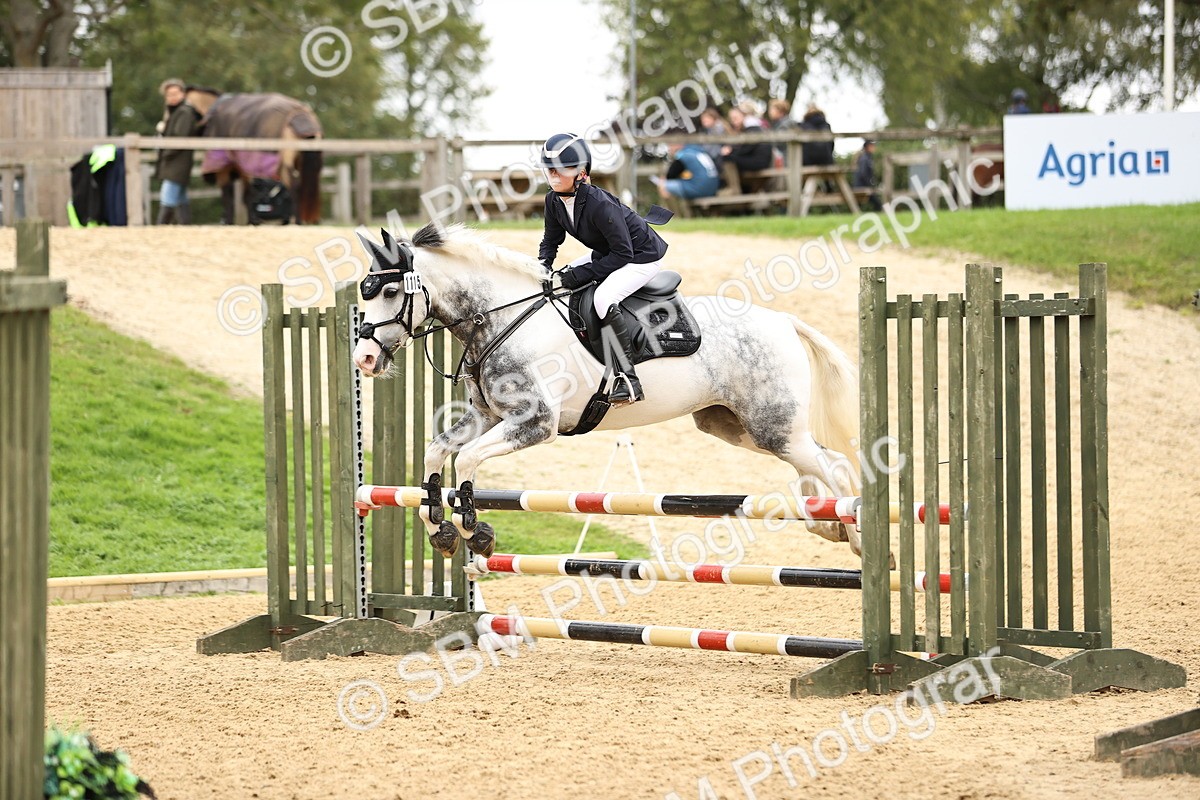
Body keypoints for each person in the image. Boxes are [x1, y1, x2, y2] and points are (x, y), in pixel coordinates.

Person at [538, 133, 672, 406]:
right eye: (549, 168)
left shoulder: (600, 204)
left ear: (581, 173)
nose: (553, 174)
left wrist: (582, 275)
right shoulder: (553, 201)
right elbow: (551, 241)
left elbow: (624, 254)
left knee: (603, 299)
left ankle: (628, 379)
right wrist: (542, 267)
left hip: (641, 256)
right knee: (557, 283)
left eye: (561, 169)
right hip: (609, 253)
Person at [153, 78, 202, 224]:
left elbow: (179, 138)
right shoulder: (175, 112)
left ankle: (160, 227)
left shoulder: (184, 113)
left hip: (177, 161)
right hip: (175, 161)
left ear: (182, 94)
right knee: (180, 197)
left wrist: (165, 154)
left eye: (175, 93)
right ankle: (185, 226)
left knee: (168, 196)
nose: (172, 97)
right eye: (169, 94)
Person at [720, 101, 773, 190]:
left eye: (735, 118)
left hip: (759, 162)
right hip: (758, 160)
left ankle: (734, 189)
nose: (733, 122)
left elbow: (745, 149)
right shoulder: (755, 127)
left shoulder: (752, 129)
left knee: (728, 159)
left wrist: (731, 151)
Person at [654, 138, 720, 208]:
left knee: (662, 185)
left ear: (678, 145)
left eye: (670, 146)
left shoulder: (683, 155)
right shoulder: (698, 151)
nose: (669, 149)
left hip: (700, 189)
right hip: (713, 189)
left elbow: (670, 175)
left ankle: (672, 215)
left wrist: (663, 180)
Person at [853, 139, 882, 212]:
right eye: (873, 146)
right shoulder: (865, 159)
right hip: (862, 187)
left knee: (857, 205)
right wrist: (871, 186)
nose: (874, 147)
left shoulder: (867, 157)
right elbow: (863, 174)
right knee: (878, 204)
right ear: (868, 147)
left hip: (863, 186)